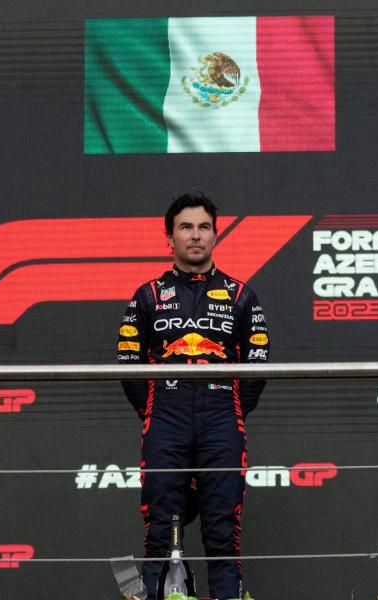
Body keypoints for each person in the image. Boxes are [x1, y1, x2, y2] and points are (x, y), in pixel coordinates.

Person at [117, 193, 269, 600]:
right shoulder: (147, 295)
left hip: (223, 418)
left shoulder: (242, 296)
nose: (195, 235)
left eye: (204, 227)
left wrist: (228, 407)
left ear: (216, 236)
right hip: (165, 418)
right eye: (186, 227)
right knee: (160, 535)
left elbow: (258, 369)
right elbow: (127, 365)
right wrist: (156, 409)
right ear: (169, 238)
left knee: (222, 536)